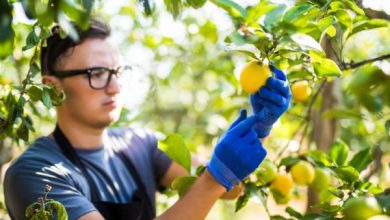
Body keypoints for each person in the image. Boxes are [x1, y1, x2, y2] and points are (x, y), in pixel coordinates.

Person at [3, 18, 291, 220]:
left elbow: (229, 190)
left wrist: (258, 129)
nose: (115, 86)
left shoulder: (141, 144)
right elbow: (215, 181)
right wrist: (217, 177)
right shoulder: (34, 174)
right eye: (97, 74)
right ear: (53, 87)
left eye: (117, 72)